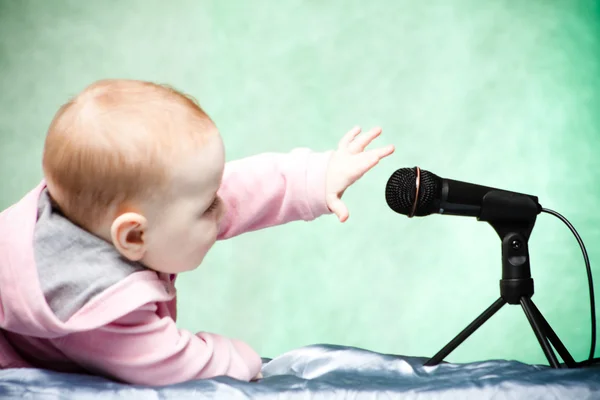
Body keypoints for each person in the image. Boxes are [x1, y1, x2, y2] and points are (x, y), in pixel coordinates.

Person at [0, 79, 394, 386]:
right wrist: (244, 359)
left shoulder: (99, 216)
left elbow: (232, 189)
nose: (223, 208)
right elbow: (176, 366)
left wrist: (312, 178)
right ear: (134, 237)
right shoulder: (93, 307)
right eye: (207, 207)